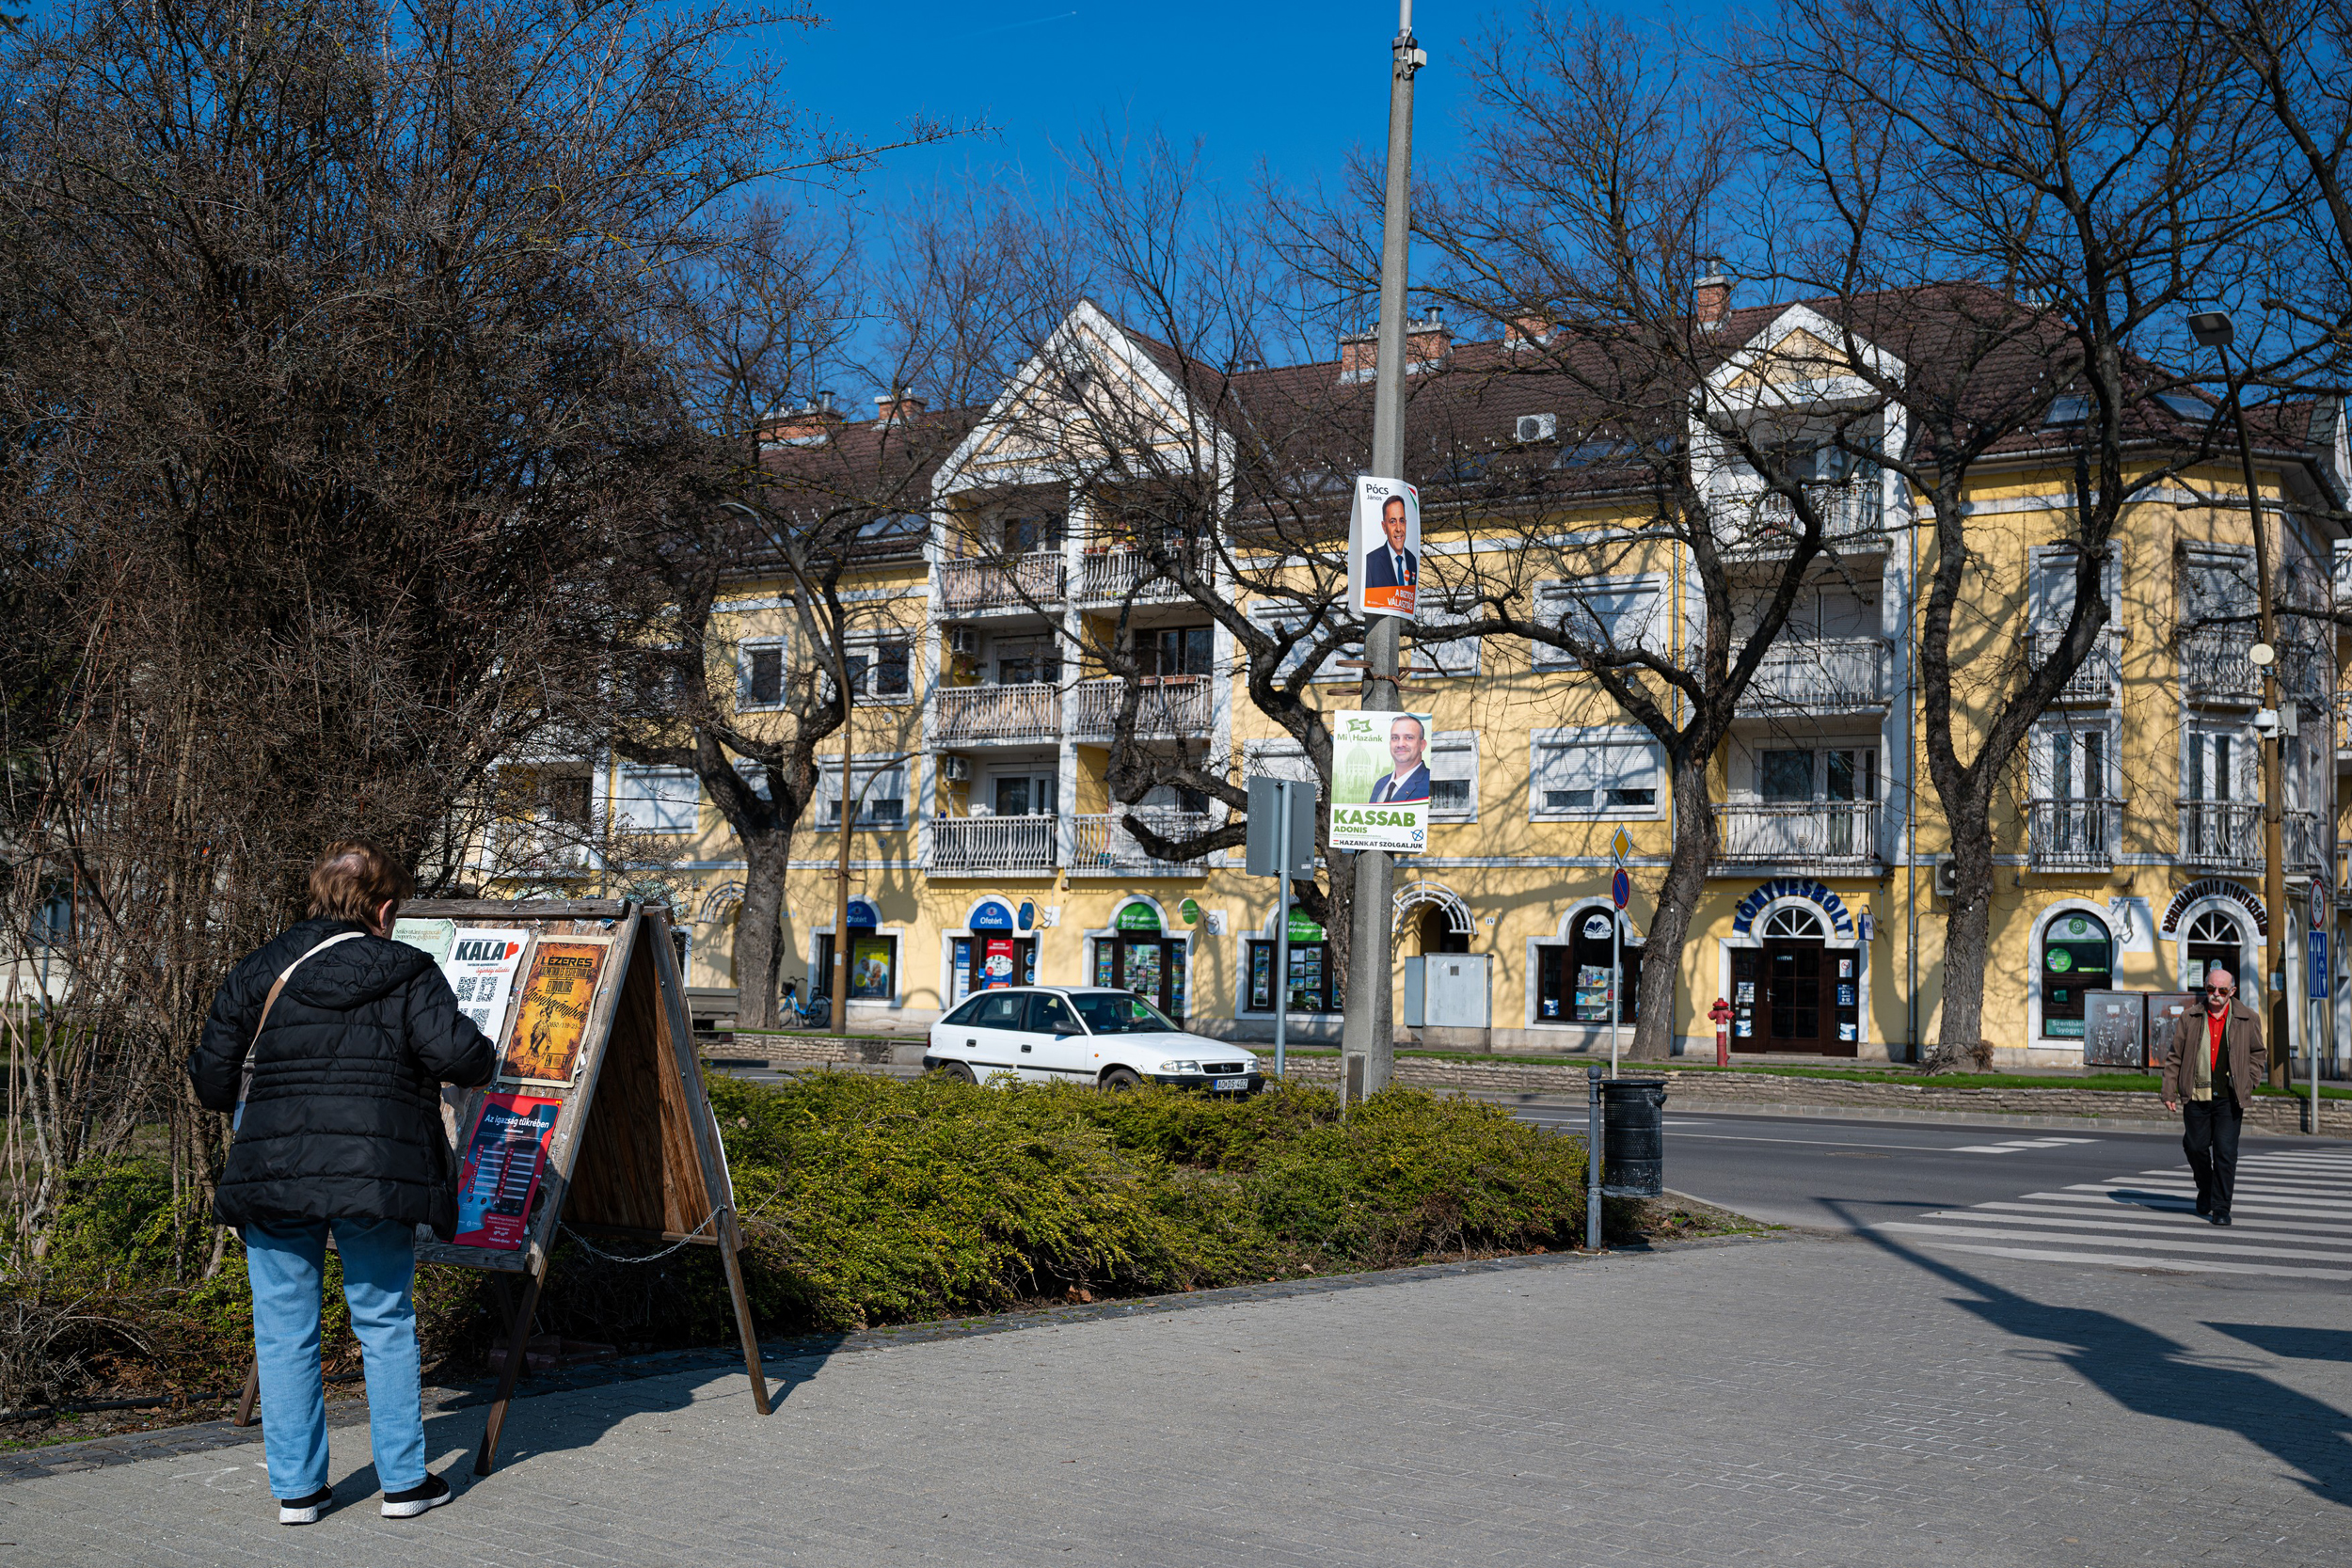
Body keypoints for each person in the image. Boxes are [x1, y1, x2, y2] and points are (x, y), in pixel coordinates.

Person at [189, 841, 496, 1525]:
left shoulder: (259, 968)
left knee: (283, 1330)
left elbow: (212, 1081)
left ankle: (299, 1492)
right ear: (385, 907)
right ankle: (404, 1484)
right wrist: (487, 1051)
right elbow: (458, 1056)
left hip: (273, 1173)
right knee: (384, 1321)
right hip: (375, 1176)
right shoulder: (410, 970)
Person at [2159, 963, 2266, 1227]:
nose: (2215, 994)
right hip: (2196, 1094)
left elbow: (2257, 1052)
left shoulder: (2247, 1017)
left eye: (2221, 989)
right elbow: (2175, 1056)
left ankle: (2221, 1207)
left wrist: (2250, 1080)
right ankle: (2205, 1188)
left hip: (2230, 1098)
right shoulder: (2190, 1017)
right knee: (2195, 1146)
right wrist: (2169, 1090)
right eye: (2210, 988)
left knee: (2225, 1153)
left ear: (2232, 991)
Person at [1369, 714, 1432, 803]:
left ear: (1422, 745)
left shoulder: (1428, 783)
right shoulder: (1380, 784)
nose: (1400, 744)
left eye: (1409, 738)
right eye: (1395, 738)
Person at [1363, 494, 1417, 597]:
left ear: (1406, 523)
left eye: (1401, 521)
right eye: (1392, 522)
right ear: (1384, 527)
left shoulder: (1412, 560)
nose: (1398, 528)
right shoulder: (1371, 562)